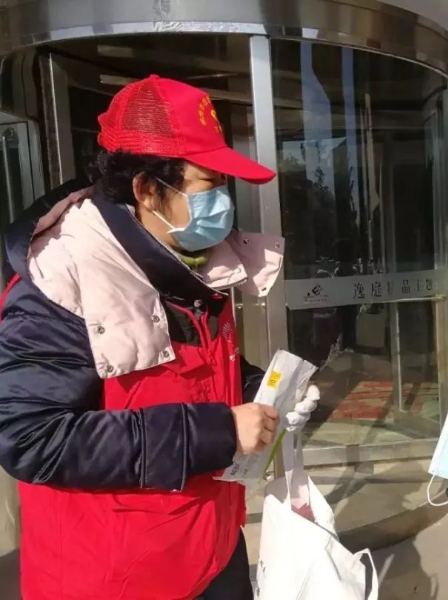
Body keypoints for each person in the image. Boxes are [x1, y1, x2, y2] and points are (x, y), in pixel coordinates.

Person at [0, 75, 319, 600]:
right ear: (147, 189)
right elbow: (32, 437)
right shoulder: (62, 276)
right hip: (117, 577)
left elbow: (190, 374)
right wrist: (218, 431)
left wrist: (263, 391)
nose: (223, 201)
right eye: (208, 183)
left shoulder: (194, 260)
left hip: (211, 548)